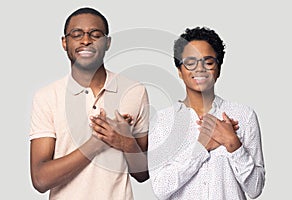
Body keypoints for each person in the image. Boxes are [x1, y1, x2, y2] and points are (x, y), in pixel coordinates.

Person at [29, 7, 149, 200]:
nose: (86, 40)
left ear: (107, 42)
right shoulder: (47, 97)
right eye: (77, 34)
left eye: (95, 34)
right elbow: (40, 179)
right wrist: (96, 143)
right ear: (64, 42)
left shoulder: (134, 91)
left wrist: (124, 141)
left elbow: (143, 174)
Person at [148, 27, 265, 200]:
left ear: (218, 69)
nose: (200, 68)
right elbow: (160, 188)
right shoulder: (163, 121)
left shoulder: (244, 115)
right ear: (180, 71)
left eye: (208, 62)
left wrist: (233, 143)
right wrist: (202, 146)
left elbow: (255, 189)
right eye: (190, 62)